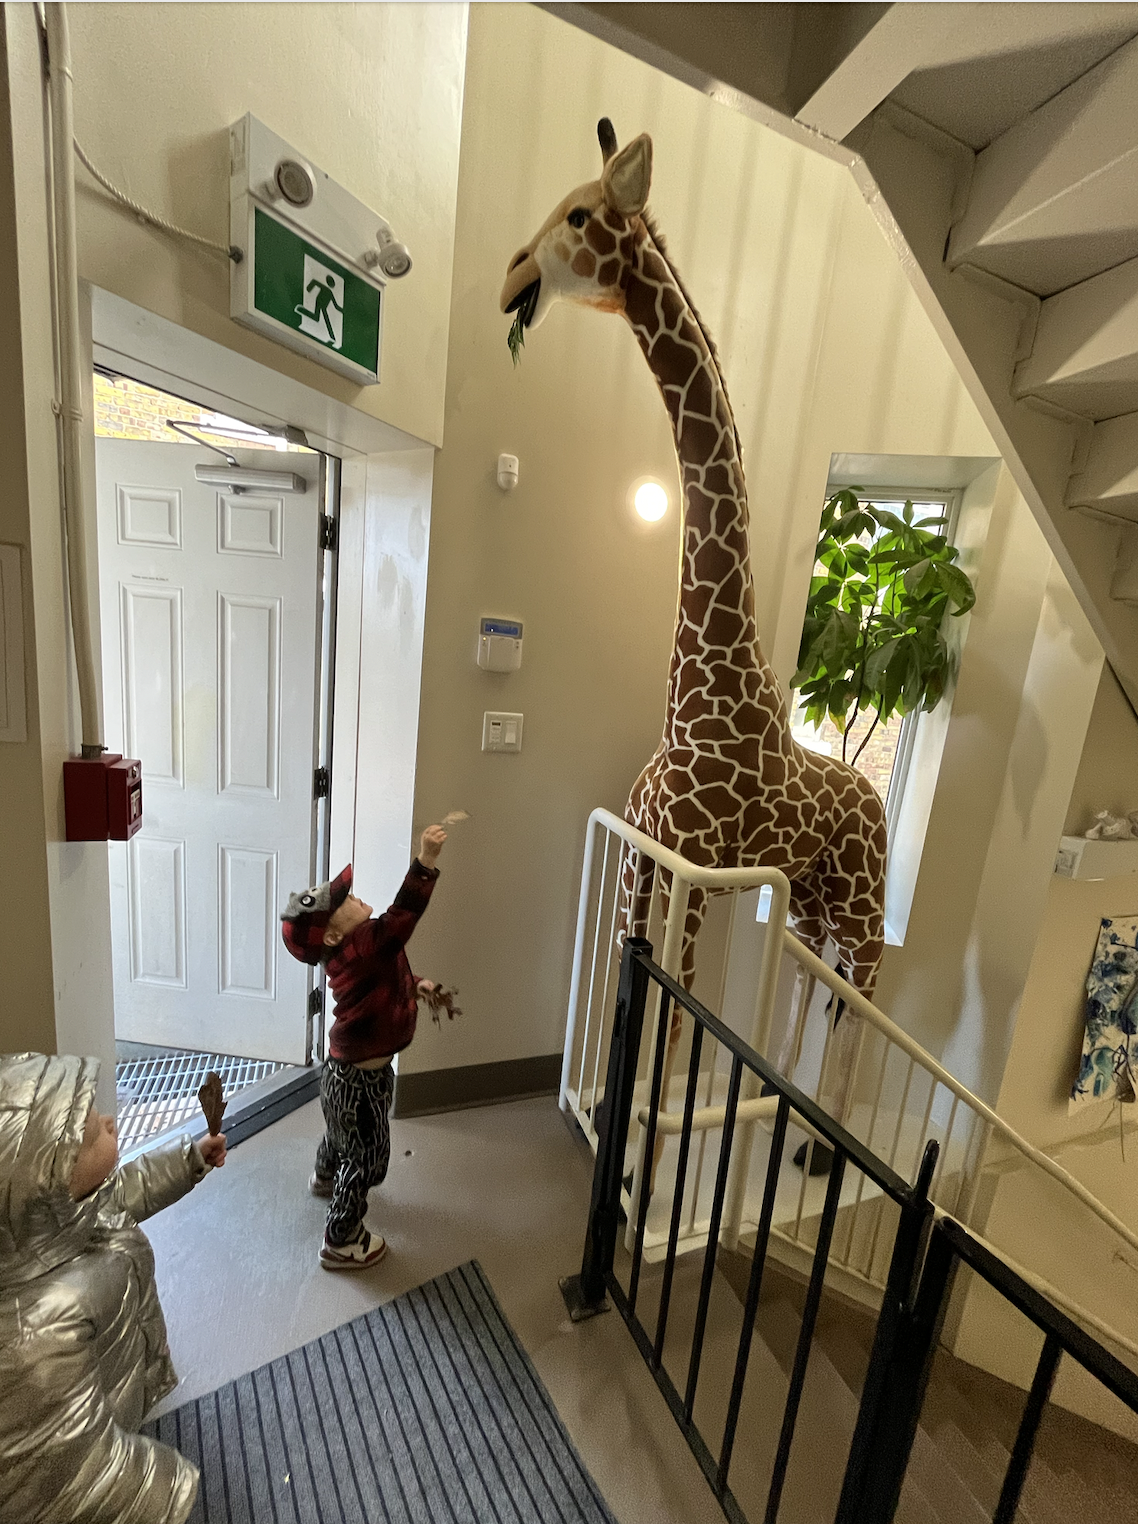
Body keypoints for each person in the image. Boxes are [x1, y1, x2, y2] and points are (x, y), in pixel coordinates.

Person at [0, 1051, 227, 1524]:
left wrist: (188, 1159)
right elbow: (74, 1467)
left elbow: (124, 1191)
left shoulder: (69, 1211)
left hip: (111, 1379)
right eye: (89, 1135)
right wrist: (161, 1489)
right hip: (94, 1418)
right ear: (46, 1185)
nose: (108, 1122)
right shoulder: (39, 1328)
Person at [280, 825, 446, 1270]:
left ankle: (325, 1174)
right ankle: (341, 1238)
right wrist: (425, 860)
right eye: (345, 902)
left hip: (343, 1074)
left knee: (341, 1135)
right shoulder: (366, 944)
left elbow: (382, 983)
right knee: (368, 1158)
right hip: (360, 1079)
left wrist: (415, 986)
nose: (354, 898)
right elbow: (402, 916)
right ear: (332, 936)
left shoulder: (353, 953)